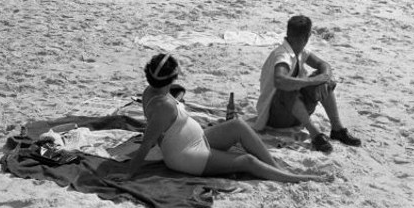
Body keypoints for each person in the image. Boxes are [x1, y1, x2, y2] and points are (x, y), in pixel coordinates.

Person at [123, 54, 322, 183]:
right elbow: (147, 143)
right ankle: (292, 178)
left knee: (237, 125)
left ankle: (276, 168)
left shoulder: (152, 92)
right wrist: (128, 174)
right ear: (171, 79)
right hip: (187, 156)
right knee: (247, 161)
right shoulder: (162, 107)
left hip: (193, 140)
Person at [255, 15, 361, 153]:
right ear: (307, 36)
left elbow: (324, 65)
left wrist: (324, 78)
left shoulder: (299, 51)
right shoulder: (283, 55)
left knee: (323, 80)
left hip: (293, 114)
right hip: (274, 117)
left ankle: (337, 128)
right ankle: (315, 134)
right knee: (287, 87)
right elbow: (280, 81)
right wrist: (313, 81)